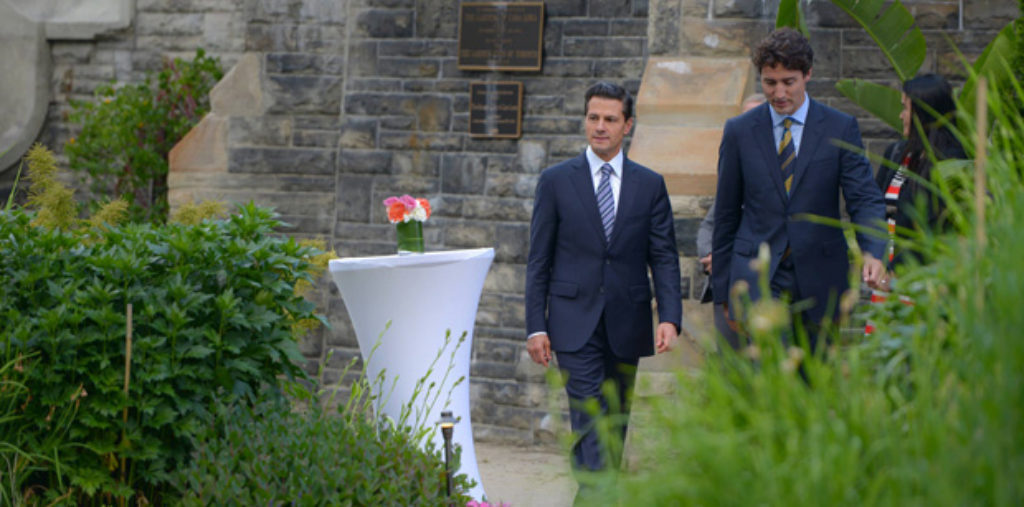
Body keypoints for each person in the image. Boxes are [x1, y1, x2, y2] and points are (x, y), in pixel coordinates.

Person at [524, 82, 682, 475]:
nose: (600, 126)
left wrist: (669, 317)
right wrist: (536, 326)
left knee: (614, 424)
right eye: (593, 117)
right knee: (590, 417)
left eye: (610, 119)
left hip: (627, 321)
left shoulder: (650, 185)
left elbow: (663, 256)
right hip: (572, 322)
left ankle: (599, 492)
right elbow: (539, 260)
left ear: (627, 125)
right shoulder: (556, 181)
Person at [712, 28, 887, 350]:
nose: (779, 92)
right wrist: (723, 290)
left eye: (788, 82)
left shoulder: (840, 127)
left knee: (813, 370)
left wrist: (873, 251)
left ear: (808, 75)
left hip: (821, 274)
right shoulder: (739, 131)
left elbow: (863, 198)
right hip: (758, 274)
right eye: (770, 82)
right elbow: (725, 213)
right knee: (770, 365)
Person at [864, 74, 966, 323]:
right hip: (887, 279)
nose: (901, 115)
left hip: (924, 284)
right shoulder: (898, 153)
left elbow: (935, 229)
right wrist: (873, 256)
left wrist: (894, 272)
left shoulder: (953, 162)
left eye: (906, 108)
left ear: (923, 114)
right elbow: (875, 206)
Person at [697, 93, 766, 350]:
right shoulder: (734, 163)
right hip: (727, 283)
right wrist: (711, 256)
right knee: (730, 362)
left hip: (765, 283)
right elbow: (710, 225)